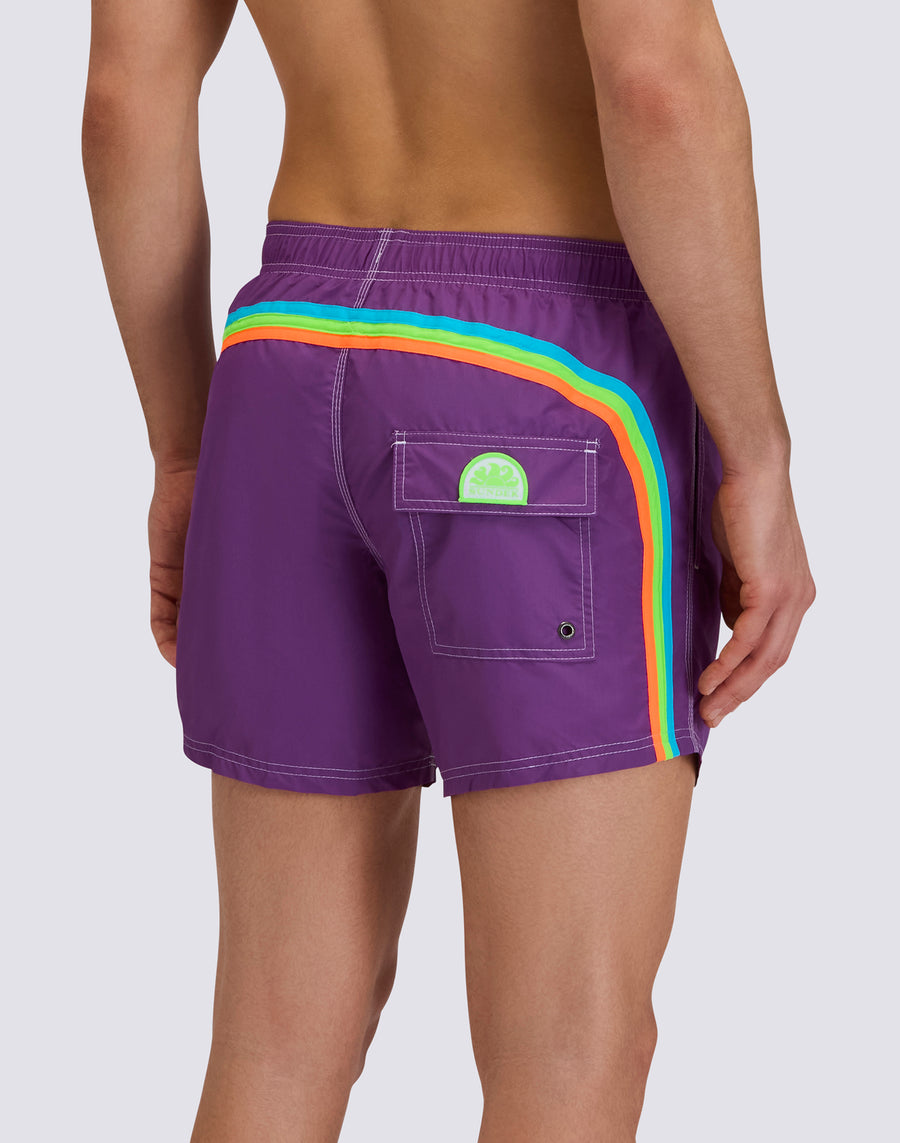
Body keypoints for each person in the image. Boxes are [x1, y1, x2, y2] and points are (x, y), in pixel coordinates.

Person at [81, 0, 815, 1139]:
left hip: (282, 364)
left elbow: (124, 103)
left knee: (276, 1036)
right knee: (565, 1046)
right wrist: (757, 453)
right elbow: (655, 81)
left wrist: (181, 447)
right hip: (540, 373)